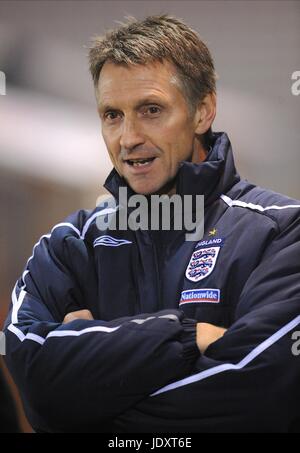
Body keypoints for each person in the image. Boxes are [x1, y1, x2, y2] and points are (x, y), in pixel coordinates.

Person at [3, 14, 300, 433]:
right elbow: (36, 383)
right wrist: (186, 338)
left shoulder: (283, 234)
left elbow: (261, 397)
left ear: (203, 111)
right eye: (112, 115)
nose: (128, 138)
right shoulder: (68, 247)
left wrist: (91, 379)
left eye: (151, 110)